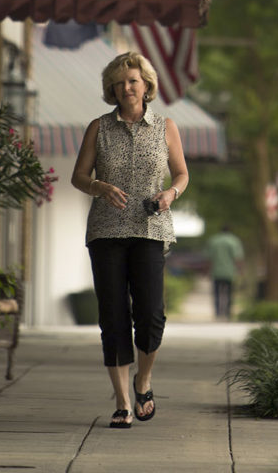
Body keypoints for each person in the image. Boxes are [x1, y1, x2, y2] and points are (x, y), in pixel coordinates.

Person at [71, 50, 188, 429]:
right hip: (106, 231)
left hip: (151, 229)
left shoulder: (165, 126)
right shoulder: (98, 127)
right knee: (113, 316)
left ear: (146, 84)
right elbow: (78, 176)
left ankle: (144, 380)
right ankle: (122, 403)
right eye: (119, 82)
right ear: (112, 89)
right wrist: (99, 186)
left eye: (133, 80)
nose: (126, 87)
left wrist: (170, 194)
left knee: (151, 313)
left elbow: (182, 174)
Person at [207, 225, 244, 319]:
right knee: (229, 293)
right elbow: (237, 258)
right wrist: (240, 270)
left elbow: (209, 258)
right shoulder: (234, 241)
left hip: (216, 271)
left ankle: (218, 312)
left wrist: (208, 271)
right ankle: (228, 312)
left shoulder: (214, 241)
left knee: (216, 293)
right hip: (229, 272)